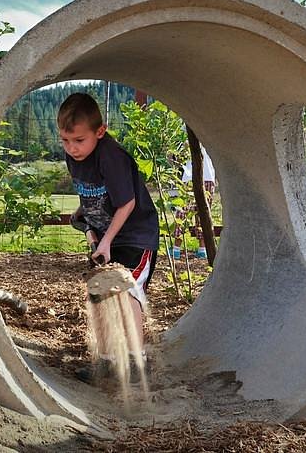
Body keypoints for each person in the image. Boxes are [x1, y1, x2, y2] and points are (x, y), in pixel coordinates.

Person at [57, 92, 159, 382]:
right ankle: (107, 361)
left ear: (99, 132)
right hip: (106, 235)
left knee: (125, 289)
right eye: (65, 140)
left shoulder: (111, 156)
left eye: (79, 140)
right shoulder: (74, 156)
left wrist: (105, 241)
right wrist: (84, 215)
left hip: (134, 236)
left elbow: (126, 202)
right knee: (100, 291)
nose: (72, 148)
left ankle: (137, 363)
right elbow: (93, 193)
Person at [171, 146, 216, 260]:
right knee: (203, 214)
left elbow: (177, 155)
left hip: (190, 175)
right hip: (209, 177)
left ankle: (176, 248)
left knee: (182, 212)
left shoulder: (188, 129)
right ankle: (202, 249)